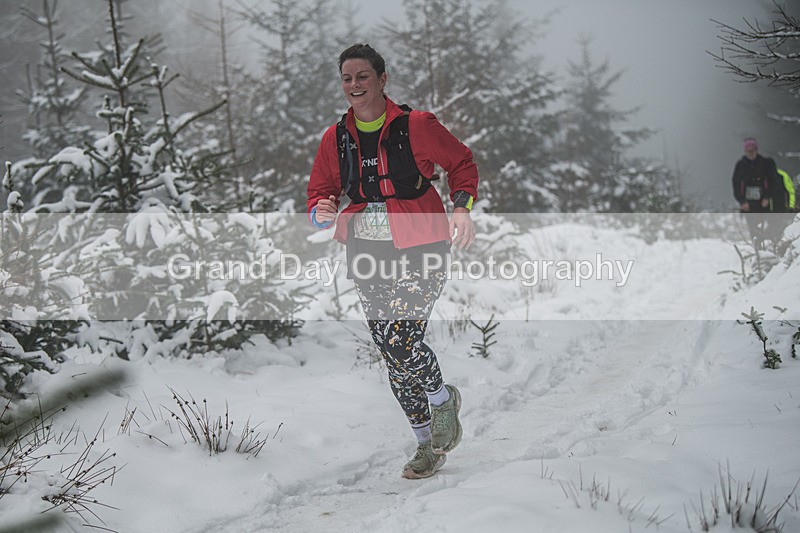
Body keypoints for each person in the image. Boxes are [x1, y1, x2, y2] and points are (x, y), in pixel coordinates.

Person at [306, 44, 479, 479]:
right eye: (347, 78)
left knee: (401, 339)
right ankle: (426, 446)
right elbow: (319, 192)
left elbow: (461, 162)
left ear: (383, 80)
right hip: (367, 250)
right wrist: (321, 210)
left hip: (421, 242)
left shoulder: (416, 125)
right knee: (390, 349)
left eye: (363, 76)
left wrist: (462, 207)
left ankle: (442, 401)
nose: (354, 85)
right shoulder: (336, 137)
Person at [731, 137, 787, 245]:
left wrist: (767, 196)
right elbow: (736, 183)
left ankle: (770, 247)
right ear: (745, 151)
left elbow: (772, 181)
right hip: (748, 203)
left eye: (752, 150)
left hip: (764, 202)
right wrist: (742, 201)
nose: (750, 153)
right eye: (748, 151)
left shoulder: (765, 163)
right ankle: (758, 250)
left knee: (769, 226)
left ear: (756, 150)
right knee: (754, 229)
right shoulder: (740, 165)